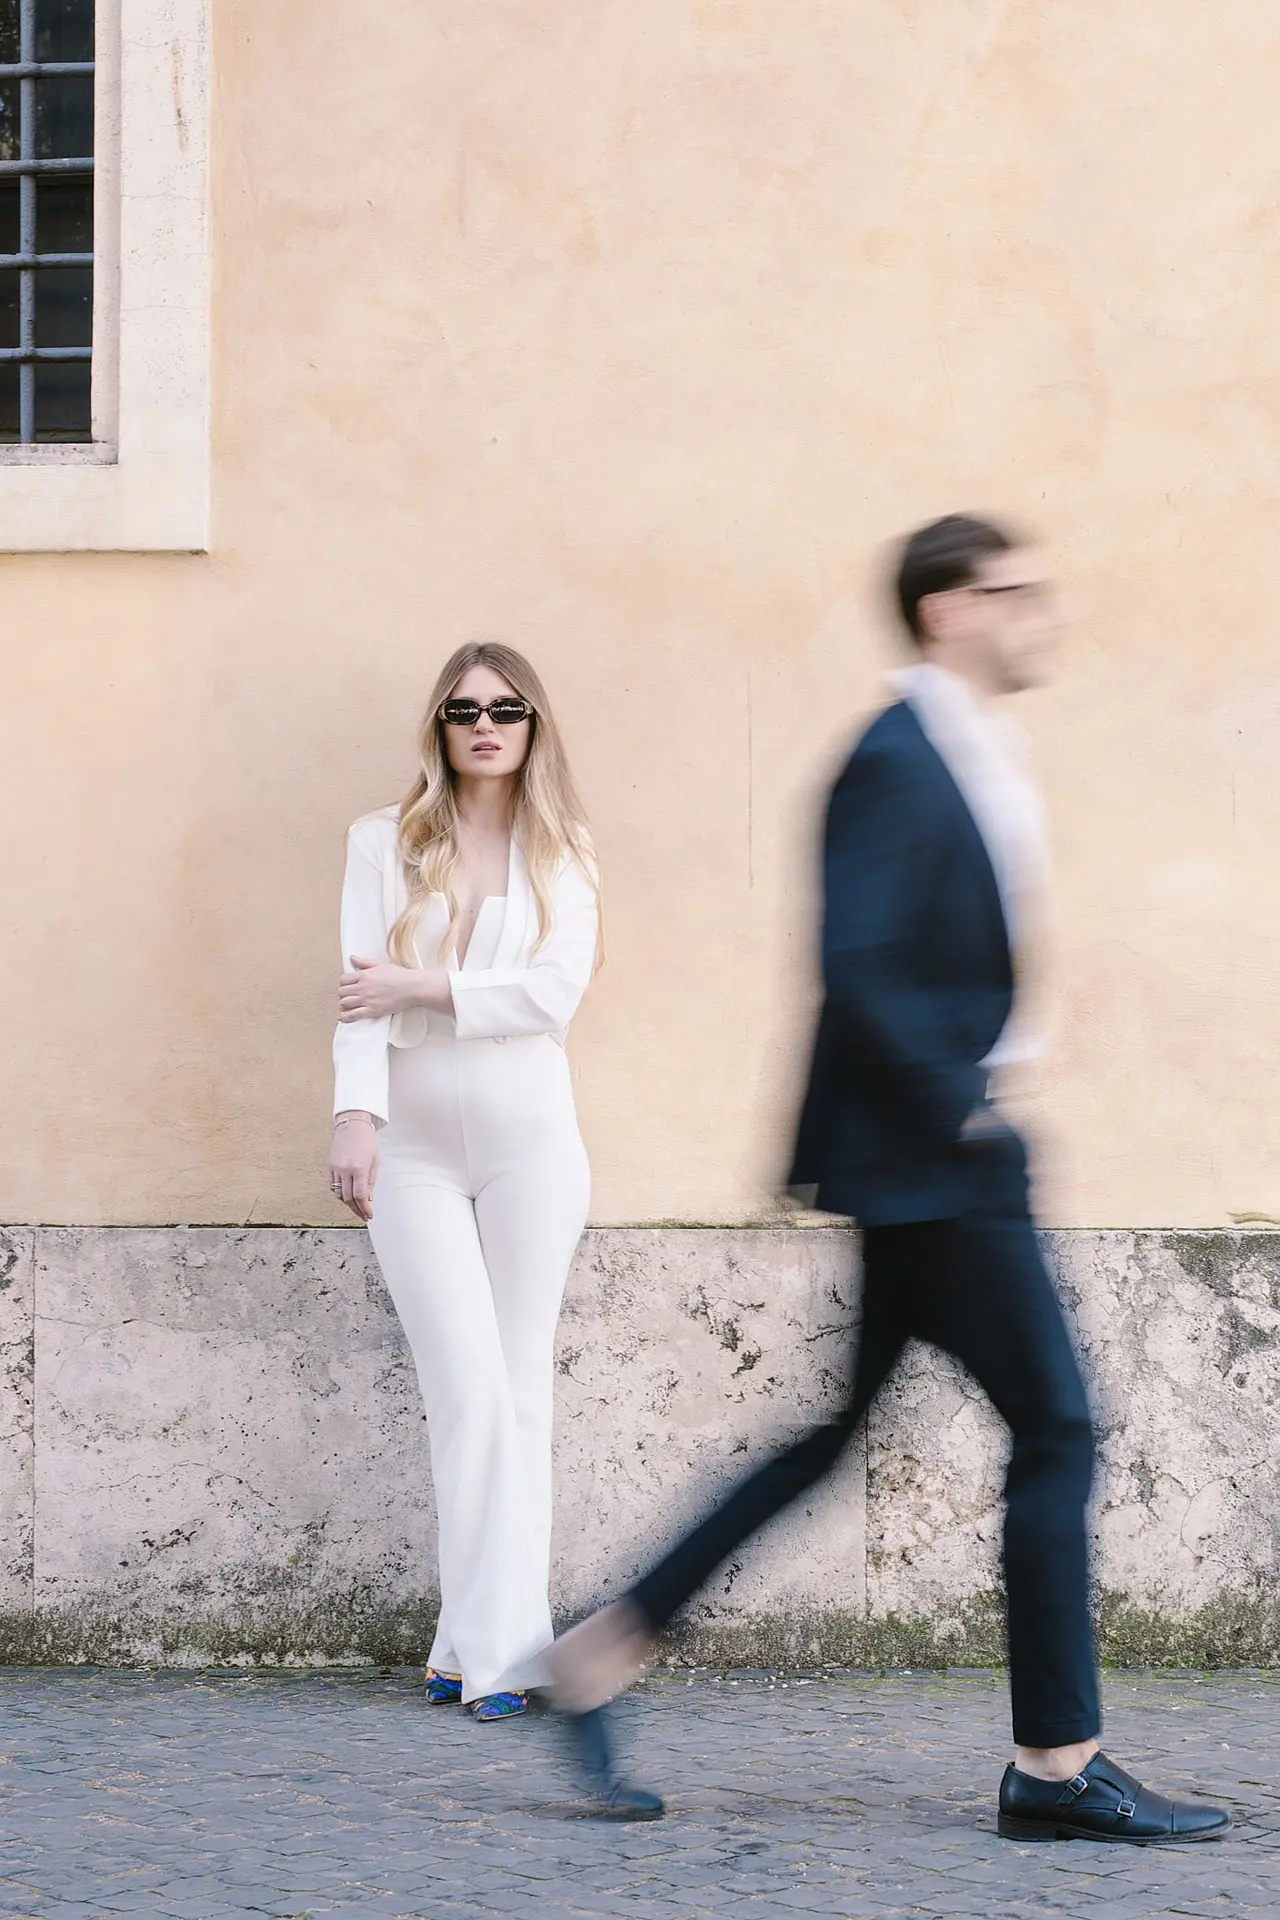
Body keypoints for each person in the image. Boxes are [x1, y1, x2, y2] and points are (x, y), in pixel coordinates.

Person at [548, 515, 1230, 1843]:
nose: (1038, 616)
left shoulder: (964, 750)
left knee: (835, 1431)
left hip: (939, 1155)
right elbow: (856, 961)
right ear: (946, 610)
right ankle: (1054, 1764)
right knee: (1059, 1431)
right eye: (1010, 594)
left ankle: (600, 1651)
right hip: (939, 1160)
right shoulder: (898, 759)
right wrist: (962, 1109)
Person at [331, 642, 600, 1723]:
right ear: (438, 726)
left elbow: (554, 996)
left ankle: (476, 1648)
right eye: (462, 708)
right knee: (466, 1390)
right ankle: (499, 1649)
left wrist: (423, 983)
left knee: (516, 1393)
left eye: (507, 707)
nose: (485, 724)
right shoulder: (380, 843)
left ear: (534, 725)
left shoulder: (563, 848)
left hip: (533, 1142)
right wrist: (355, 1115)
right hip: (412, 1150)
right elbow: (358, 995)